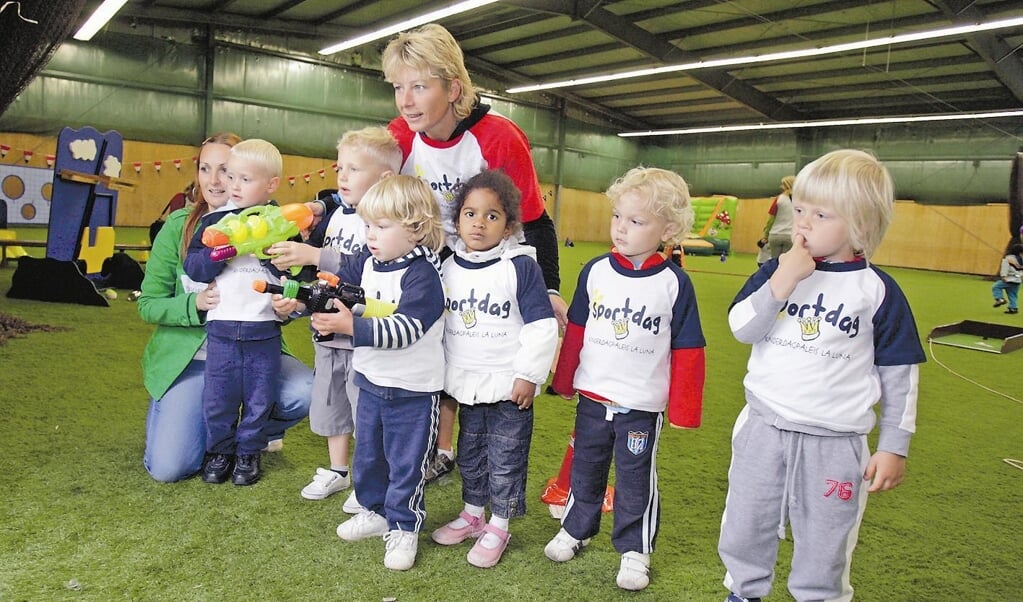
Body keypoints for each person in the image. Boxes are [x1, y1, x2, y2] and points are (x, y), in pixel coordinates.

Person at [718, 149, 927, 602]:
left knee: (825, 543)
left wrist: (894, 445)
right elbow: (741, 328)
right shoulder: (778, 270)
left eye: (820, 214)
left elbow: (900, 376)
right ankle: (744, 592)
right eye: (799, 211)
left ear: (860, 224)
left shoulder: (877, 292)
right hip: (763, 430)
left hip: (836, 444)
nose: (803, 224)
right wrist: (781, 283)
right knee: (745, 524)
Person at [382, 23, 567, 483]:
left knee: (481, 356)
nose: (406, 101)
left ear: (453, 88)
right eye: (398, 88)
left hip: (492, 264)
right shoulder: (400, 137)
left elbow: (536, 220)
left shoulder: (499, 137)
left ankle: (488, 460)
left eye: (419, 87)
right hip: (430, 263)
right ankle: (436, 449)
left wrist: (548, 288)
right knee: (430, 354)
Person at [545, 167, 707, 591]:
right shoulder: (596, 270)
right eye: (618, 216)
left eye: (636, 222)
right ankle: (577, 528)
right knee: (586, 468)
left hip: (641, 405)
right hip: (594, 397)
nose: (621, 228)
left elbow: (688, 348)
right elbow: (577, 328)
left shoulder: (674, 283)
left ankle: (635, 550)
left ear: (667, 228)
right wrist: (564, 382)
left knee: (635, 479)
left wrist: (685, 410)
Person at [138, 133, 311, 484]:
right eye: (206, 169)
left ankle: (246, 440)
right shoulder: (180, 226)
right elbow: (148, 304)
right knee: (171, 467)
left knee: (305, 391)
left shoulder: (272, 222)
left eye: (230, 171)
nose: (218, 181)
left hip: (255, 345)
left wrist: (289, 305)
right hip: (192, 361)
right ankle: (205, 432)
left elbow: (299, 281)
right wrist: (195, 304)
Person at [430, 170, 559, 568]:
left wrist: (528, 376)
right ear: (456, 221)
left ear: (509, 226)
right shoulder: (448, 267)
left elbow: (542, 325)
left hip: (509, 389)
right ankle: (473, 514)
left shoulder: (520, 267)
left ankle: (499, 524)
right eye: (470, 214)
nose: (479, 223)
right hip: (467, 386)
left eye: (491, 216)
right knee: (470, 454)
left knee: (506, 458)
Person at [269, 127, 402, 507]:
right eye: (340, 167)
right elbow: (317, 278)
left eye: (354, 169)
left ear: (384, 179)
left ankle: (370, 479)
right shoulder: (336, 216)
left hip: (360, 332)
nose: (342, 177)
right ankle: (337, 470)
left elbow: (367, 269)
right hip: (326, 330)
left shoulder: (383, 223)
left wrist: (314, 257)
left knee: (365, 411)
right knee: (330, 402)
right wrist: (298, 302)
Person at [327, 175, 446, 571]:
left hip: (414, 390)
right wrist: (317, 310)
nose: (370, 235)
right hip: (371, 382)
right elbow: (343, 296)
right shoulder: (367, 261)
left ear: (414, 228)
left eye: (381, 226)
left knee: (406, 465)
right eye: (367, 225)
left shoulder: (423, 275)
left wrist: (351, 328)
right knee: (369, 459)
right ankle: (375, 512)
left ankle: (404, 526)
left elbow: (408, 328)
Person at [182, 138, 290, 486]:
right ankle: (220, 451)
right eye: (232, 177)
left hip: (264, 331)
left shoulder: (282, 222)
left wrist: (267, 257)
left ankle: (248, 453)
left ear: (271, 184)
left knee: (260, 399)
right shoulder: (214, 222)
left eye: (246, 179)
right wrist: (220, 253)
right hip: (222, 330)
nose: (234, 186)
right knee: (219, 399)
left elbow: (295, 274)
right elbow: (194, 267)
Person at [759, 175, 795, 260]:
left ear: (785, 186)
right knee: (785, 261)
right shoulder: (799, 201)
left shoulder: (778, 199)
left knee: (773, 261)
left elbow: (771, 220)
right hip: (790, 235)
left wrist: (765, 235)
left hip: (775, 234)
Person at [992, 243, 1023, 314]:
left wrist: (1003, 276)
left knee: (996, 287)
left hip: (1009, 279)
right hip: (1018, 280)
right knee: (1012, 294)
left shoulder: (1008, 258)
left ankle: (1000, 299)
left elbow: (1005, 268)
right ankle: (1013, 308)